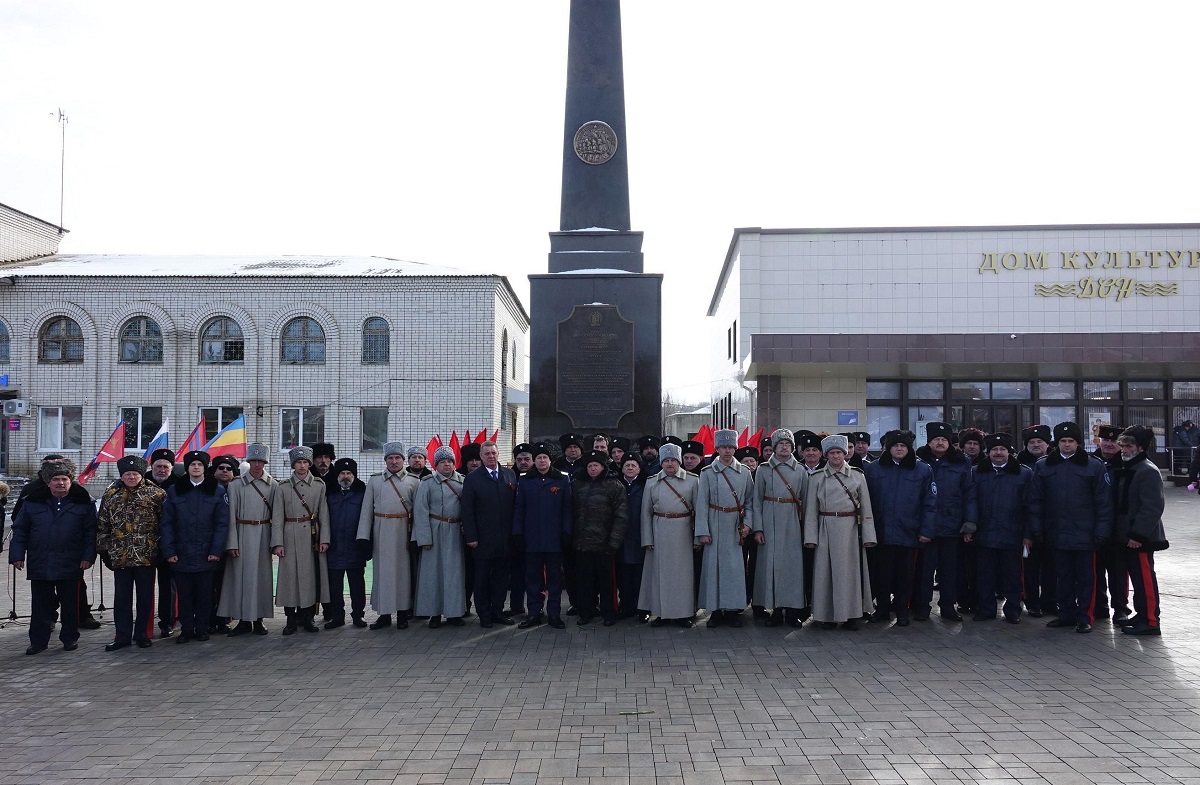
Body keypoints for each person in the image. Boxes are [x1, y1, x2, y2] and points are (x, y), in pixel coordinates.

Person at [1030, 421, 1114, 634]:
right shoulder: (1043, 465)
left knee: (1086, 578)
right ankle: (1065, 614)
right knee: (1063, 576)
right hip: (1056, 532)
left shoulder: (1094, 466)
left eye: (1071, 441)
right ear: (1056, 443)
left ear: (1078, 443)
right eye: (1063, 441)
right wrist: (1037, 528)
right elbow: (1035, 500)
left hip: (1086, 534)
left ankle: (1085, 616)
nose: (1067, 445)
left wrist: (1102, 531)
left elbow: (1104, 502)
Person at [10, 459, 96, 655]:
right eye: (56, 479)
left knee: (70, 604)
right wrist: (17, 554)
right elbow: (20, 529)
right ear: (48, 482)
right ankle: (38, 641)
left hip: (71, 562)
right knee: (40, 605)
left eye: (64, 479)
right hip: (41, 561)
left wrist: (88, 556)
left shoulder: (83, 502)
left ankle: (69, 638)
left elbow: (91, 532)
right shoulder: (32, 501)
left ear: (71, 481)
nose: (60, 483)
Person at [863, 429, 936, 627]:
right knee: (882, 575)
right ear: (888, 448)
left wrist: (926, 530)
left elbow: (930, 503)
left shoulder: (922, 470)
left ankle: (902, 610)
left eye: (903, 445)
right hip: (881, 532)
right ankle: (882, 609)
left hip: (909, 532)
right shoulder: (873, 470)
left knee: (905, 576)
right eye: (895, 445)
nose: (899, 449)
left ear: (909, 448)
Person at [803, 434, 876, 630]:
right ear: (826, 455)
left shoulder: (858, 476)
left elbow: (866, 508)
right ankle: (826, 615)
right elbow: (810, 510)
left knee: (851, 575)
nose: (836, 456)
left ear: (845, 454)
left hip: (850, 530)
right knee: (824, 574)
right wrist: (810, 537)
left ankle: (851, 615)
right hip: (825, 528)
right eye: (832, 452)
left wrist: (869, 536)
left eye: (839, 452)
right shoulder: (817, 478)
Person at [97, 455, 166, 651]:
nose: (131, 477)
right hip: (120, 556)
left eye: (135, 474)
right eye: (128, 474)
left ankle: (142, 634)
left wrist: (161, 549)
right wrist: (104, 551)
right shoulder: (111, 495)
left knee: (145, 598)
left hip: (147, 555)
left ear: (141, 474)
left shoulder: (156, 494)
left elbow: (165, 524)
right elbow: (102, 524)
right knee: (121, 599)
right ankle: (122, 636)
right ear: (122, 475)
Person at [160, 450, 230, 643]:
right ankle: (187, 630)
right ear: (187, 468)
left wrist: (216, 551)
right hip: (182, 555)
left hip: (207, 555)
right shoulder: (175, 490)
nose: (196, 468)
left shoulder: (216, 490)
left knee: (205, 596)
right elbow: (167, 523)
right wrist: (170, 551)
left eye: (199, 464)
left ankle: (202, 628)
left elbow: (222, 524)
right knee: (185, 596)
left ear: (205, 468)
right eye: (193, 465)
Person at [913, 422, 977, 622]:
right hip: (925, 526)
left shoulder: (961, 462)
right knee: (924, 570)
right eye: (936, 440)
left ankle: (948, 606)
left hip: (952, 523)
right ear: (929, 442)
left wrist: (970, 522)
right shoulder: (918, 461)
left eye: (944, 440)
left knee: (950, 570)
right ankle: (922, 606)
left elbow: (969, 494)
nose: (940, 443)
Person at [971, 433, 1035, 623]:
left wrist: (1027, 534)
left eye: (1002, 449)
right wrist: (970, 526)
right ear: (988, 452)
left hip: (1012, 534)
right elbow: (971, 501)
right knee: (984, 575)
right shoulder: (976, 472)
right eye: (994, 450)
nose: (998, 453)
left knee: (1012, 576)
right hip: (984, 533)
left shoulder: (1024, 474)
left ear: (1009, 452)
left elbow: (1030, 506)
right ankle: (986, 609)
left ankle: (1013, 609)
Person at [695, 429, 753, 628]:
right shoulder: (707, 472)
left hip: (735, 525)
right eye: (723, 447)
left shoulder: (744, 472)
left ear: (735, 448)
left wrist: (748, 524)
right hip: (714, 521)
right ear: (717, 448)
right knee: (713, 568)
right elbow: (701, 503)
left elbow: (751, 501)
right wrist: (703, 530)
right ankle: (715, 611)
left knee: (734, 570)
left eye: (730, 447)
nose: (727, 451)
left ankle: (733, 610)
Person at [1113, 426, 1168, 636]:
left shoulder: (1147, 470)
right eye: (1123, 445)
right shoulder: (1131, 468)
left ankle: (1151, 620)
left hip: (1141, 537)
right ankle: (1142, 614)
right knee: (1137, 578)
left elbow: (1152, 507)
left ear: (1140, 447)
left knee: (1144, 578)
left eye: (1129, 446)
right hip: (1128, 536)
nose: (1124, 450)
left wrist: (1138, 535)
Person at [271, 446, 331, 635]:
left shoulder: (319, 485)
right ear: (293, 465)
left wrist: (324, 539)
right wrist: (278, 543)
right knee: (289, 579)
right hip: (289, 535)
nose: (302, 466)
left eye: (305, 462)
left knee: (309, 578)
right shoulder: (283, 487)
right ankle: (290, 619)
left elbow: (324, 515)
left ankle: (308, 617)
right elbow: (278, 517)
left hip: (311, 537)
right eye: (299, 462)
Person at [355, 442, 415, 630]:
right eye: (390, 458)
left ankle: (403, 614)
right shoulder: (374, 481)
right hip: (381, 530)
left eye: (398, 458)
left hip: (404, 531)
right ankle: (384, 614)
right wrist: (363, 537)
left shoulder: (414, 481)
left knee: (403, 574)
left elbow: (419, 514)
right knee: (383, 575)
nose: (394, 461)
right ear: (385, 460)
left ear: (404, 460)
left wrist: (416, 538)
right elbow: (366, 511)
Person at [219, 443, 276, 636]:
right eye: (253, 460)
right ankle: (243, 620)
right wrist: (232, 543)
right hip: (242, 534)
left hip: (263, 534)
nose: (257, 465)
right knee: (240, 580)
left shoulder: (273, 485)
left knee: (261, 579)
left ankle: (259, 619)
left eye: (260, 461)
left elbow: (277, 516)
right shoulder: (236, 485)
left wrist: (275, 541)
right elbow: (230, 516)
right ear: (248, 462)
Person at [512, 443, 571, 630]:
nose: (542, 461)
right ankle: (534, 613)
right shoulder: (525, 480)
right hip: (532, 539)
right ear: (534, 461)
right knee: (533, 579)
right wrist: (518, 533)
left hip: (554, 538)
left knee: (554, 579)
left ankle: (554, 614)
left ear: (550, 460)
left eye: (545, 457)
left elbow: (567, 508)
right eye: (538, 458)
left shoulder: (562, 479)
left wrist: (566, 531)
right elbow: (519, 508)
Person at [752, 429, 808, 627]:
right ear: (773, 447)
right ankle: (775, 609)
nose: (784, 447)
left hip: (792, 521)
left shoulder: (800, 470)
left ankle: (792, 610)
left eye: (788, 444)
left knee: (792, 567)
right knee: (771, 566)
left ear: (793, 447)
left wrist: (806, 530)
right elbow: (756, 501)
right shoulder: (764, 469)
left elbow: (807, 503)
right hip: (769, 519)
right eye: (780, 444)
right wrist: (758, 528)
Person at [639, 443, 698, 627]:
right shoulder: (652, 482)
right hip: (659, 531)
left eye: (673, 460)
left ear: (679, 462)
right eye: (666, 460)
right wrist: (647, 538)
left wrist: (698, 537)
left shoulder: (693, 481)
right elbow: (645, 513)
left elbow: (700, 511)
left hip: (683, 531)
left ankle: (684, 614)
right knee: (659, 575)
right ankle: (661, 613)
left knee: (683, 576)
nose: (669, 464)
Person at [461, 441, 518, 628]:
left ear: (498, 453)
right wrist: (471, 537)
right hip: (483, 539)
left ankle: (498, 611)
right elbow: (467, 510)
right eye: (487, 454)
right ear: (481, 456)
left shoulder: (509, 475)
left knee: (502, 578)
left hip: (505, 538)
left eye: (493, 453)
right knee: (482, 579)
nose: (491, 456)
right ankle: (484, 614)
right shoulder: (472, 479)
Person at [412, 446, 469, 628]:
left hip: (455, 531)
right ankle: (434, 613)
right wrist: (424, 538)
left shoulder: (463, 482)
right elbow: (420, 512)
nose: (447, 464)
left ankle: (454, 613)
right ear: (436, 464)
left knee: (454, 574)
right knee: (432, 574)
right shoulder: (427, 483)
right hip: (435, 530)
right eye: (443, 461)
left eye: (450, 461)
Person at [571, 450, 628, 626]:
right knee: (584, 581)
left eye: (596, 465)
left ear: (603, 467)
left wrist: (614, 542)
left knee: (607, 582)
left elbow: (621, 516)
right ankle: (586, 612)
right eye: (590, 466)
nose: (593, 469)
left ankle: (609, 612)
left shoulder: (614, 486)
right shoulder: (577, 485)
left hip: (605, 544)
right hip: (582, 544)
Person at [1091, 424, 1131, 624]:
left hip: (1117, 527)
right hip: (1094, 526)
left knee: (1118, 571)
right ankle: (1100, 606)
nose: (1108, 444)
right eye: (1105, 440)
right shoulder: (1090, 463)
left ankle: (1121, 608)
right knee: (1095, 570)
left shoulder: (1126, 466)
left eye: (1114, 441)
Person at [324, 457, 369, 629]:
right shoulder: (330, 494)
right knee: (335, 586)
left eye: (349, 473)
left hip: (355, 546)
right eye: (342, 473)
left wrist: (366, 544)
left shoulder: (362, 494)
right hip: (334, 546)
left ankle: (358, 615)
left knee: (357, 585)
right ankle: (337, 617)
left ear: (354, 476)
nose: (345, 476)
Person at [1017, 424, 1056, 617]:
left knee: (1051, 567)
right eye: (1031, 442)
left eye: (1039, 441)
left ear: (1047, 444)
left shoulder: (1056, 463)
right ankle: (1032, 601)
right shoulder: (1017, 465)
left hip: (1052, 524)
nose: (1035, 445)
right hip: (1027, 524)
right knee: (1030, 567)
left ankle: (1050, 601)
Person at [145, 447, 179, 637]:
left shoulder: (178, 486)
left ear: (172, 468)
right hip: (146, 544)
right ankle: (146, 623)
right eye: (158, 466)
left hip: (170, 544)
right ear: (152, 467)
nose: (162, 470)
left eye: (166, 467)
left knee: (169, 586)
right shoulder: (142, 484)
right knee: (146, 587)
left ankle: (168, 621)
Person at [208, 454, 240, 634]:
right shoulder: (209, 488)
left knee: (226, 585)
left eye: (229, 469)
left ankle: (224, 619)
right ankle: (209, 619)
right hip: (212, 543)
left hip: (234, 542)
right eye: (221, 468)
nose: (225, 471)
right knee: (210, 585)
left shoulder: (237, 489)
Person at [615, 453, 647, 622]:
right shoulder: (616, 485)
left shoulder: (645, 485)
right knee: (624, 575)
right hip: (621, 536)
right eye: (626, 465)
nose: (629, 468)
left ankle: (642, 608)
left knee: (640, 575)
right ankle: (626, 606)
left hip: (639, 534)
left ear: (639, 469)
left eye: (633, 465)